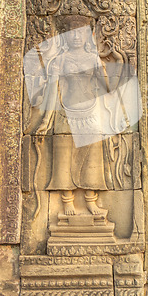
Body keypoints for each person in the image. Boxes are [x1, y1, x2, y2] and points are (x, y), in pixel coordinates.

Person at [34, 15, 125, 216]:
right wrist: (46, 120)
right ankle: (67, 200)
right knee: (64, 155)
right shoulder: (60, 60)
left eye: (80, 34)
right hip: (66, 112)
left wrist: (117, 60)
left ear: (88, 36)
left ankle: (90, 200)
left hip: (91, 111)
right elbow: (52, 91)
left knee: (92, 156)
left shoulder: (93, 59)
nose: (76, 38)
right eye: (70, 34)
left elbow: (108, 88)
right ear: (64, 37)